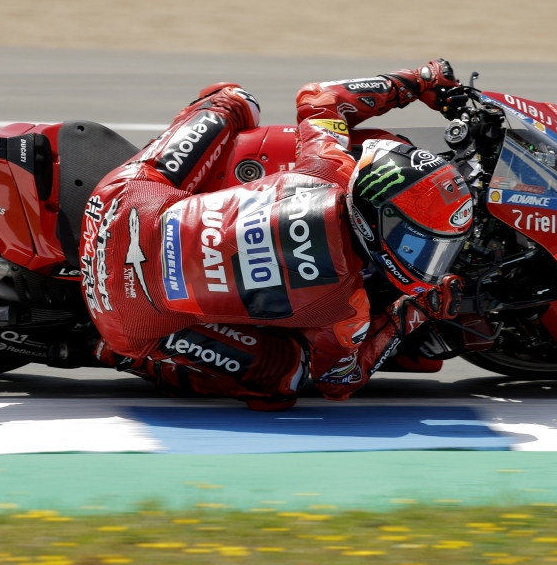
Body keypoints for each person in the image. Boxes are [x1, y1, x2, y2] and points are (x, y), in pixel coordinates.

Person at [81, 59, 473, 410]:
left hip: (118, 204)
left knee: (235, 100)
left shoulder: (326, 167)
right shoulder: (345, 309)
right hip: (123, 321)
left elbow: (319, 97)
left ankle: (220, 106)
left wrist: (416, 81)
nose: (427, 260)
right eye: (421, 244)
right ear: (378, 222)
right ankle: (116, 353)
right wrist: (415, 313)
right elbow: (339, 382)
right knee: (285, 379)